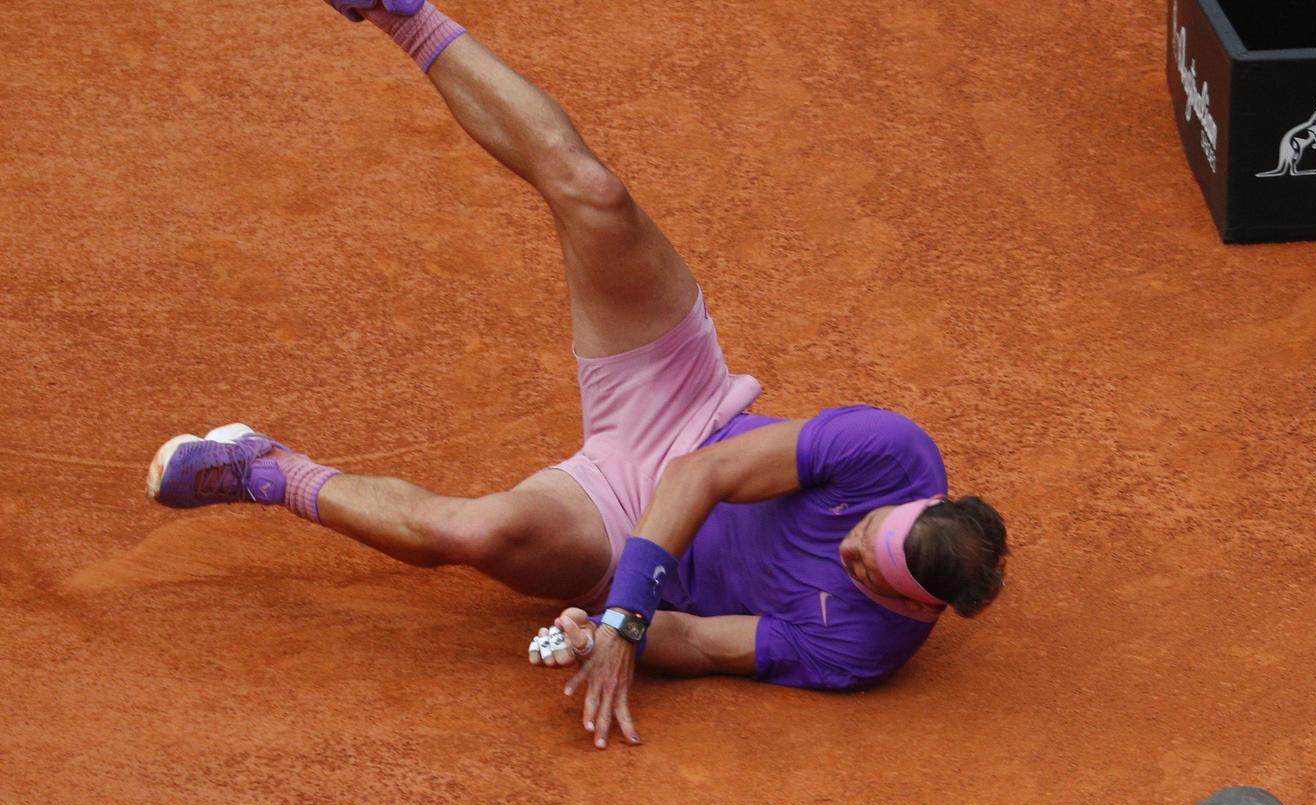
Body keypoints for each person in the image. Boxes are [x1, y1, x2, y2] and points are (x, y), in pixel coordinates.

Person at [145, 0, 1008, 747]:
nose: (850, 548)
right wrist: (629, 616)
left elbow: (702, 644)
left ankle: (262, 470)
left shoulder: (860, 648)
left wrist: (607, 629)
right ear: (922, 501)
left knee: (470, 535)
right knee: (595, 195)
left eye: (862, 569)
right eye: (869, 534)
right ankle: (401, 13)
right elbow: (704, 470)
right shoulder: (893, 455)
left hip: (613, 523)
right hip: (687, 409)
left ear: (915, 607)